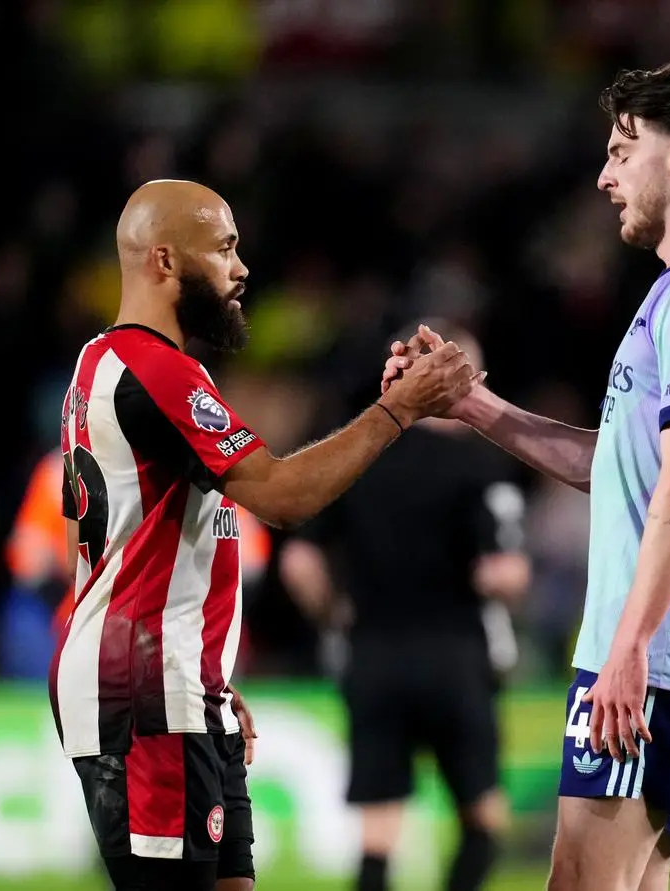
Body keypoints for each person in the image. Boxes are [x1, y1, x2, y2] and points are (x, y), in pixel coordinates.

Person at [383, 61, 670, 891]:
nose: (604, 176)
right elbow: (625, 469)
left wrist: (628, 646)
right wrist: (475, 405)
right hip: (664, 648)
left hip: (656, 653)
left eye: (622, 150)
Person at [50, 179, 480, 891]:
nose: (241, 268)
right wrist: (398, 408)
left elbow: (96, 546)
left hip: (174, 677)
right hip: (148, 687)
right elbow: (285, 495)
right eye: (223, 249)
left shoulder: (102, 364)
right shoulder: (157, 371)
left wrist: (203, 667)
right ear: (163, 261)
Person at [279, 323, 530, 891]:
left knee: (378, 831)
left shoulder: (355, 456)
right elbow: (504, 573)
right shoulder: (477, 468)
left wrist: (332, 615)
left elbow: (300, 563)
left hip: (373, 654)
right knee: (483, 816)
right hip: (455, 655)